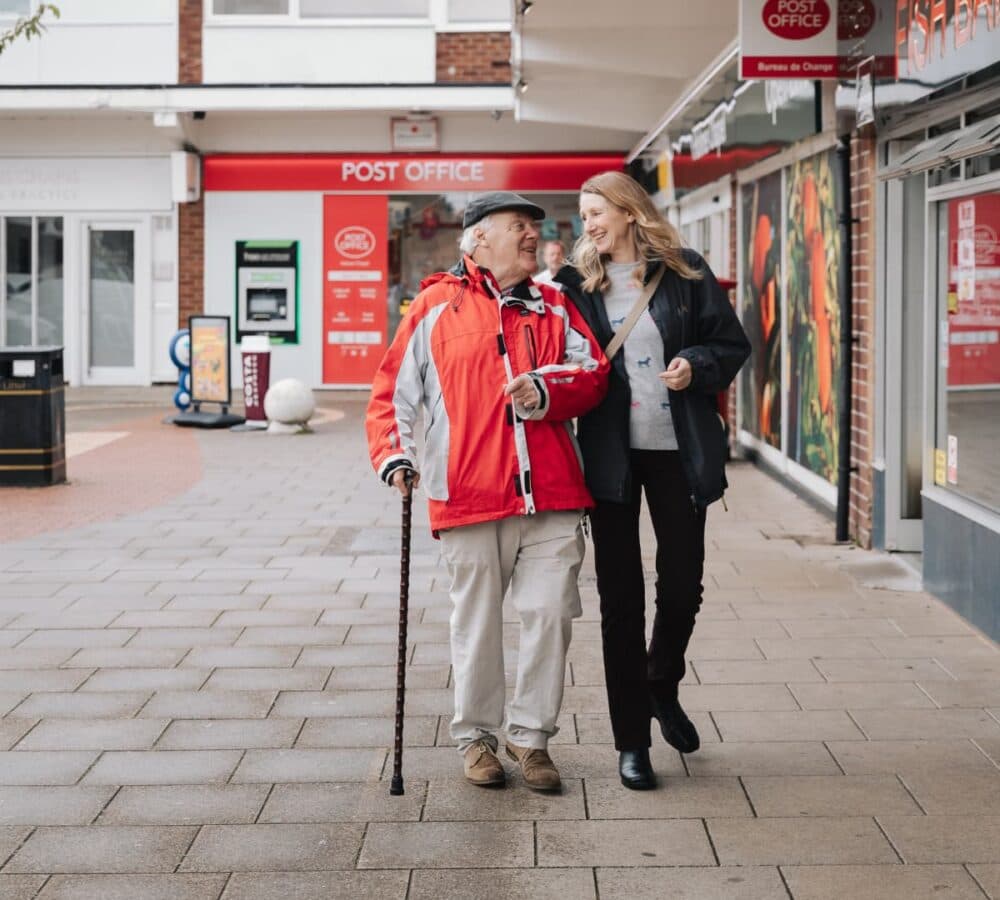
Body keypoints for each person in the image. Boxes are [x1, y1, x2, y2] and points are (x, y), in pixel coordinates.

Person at [366, 191, 609, 792]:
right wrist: (395, 455)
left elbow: (593, 371)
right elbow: (390, 397)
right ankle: (475, 737)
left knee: (550, 615)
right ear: (477, 238)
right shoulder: (433, 307)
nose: (532, 234)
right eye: (518, 226)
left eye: (535, 225)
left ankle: (531, 740)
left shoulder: (554, 305)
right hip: (469, 495)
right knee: (476, 624)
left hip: (552, 494)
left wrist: (546, 391)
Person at [555, 171, 750, 791]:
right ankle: (631, 741)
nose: (587, 224)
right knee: (620, 600)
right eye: (583, 214)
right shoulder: (574, 286)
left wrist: (695, 365)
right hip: (611, 456)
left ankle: (661, 683)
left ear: (629, 211)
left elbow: (731, 343)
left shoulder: (685, 271)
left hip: (677, 452)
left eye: (595, 211)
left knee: (683, 583)